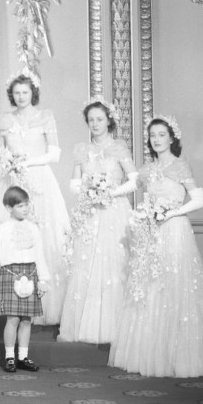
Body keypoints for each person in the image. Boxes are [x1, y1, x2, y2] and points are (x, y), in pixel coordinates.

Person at [108, 116, 203, 378]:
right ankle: (151, 353)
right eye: (153, 135)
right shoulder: (147, 169)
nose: (156, 139)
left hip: (174, 231)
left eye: (161, 135)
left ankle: (179, 356)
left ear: (172, 138)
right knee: (151, 287)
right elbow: (133, 184)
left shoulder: (180, 166)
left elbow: (199, 199)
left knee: (175, 286)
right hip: (151, 232)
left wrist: (173, 213)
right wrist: (109, 191)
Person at [0, 74, 69, 323]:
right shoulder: (4, 120)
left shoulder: (45, 116)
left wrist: (27, 162)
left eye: (25, 92)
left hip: (39, 182)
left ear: (33, 93)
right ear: (11, 95)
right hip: (13, 180)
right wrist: (9, 163)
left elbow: (55, 153)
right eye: (17, 93)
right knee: (9, 236)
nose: (21, 97)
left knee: (43, 235)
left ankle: (45, 302)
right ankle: (11, 300)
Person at [59, 99, 137, 344]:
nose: (95, 124)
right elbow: (73, 183)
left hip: (115, 211)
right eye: (91, 120)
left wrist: (110, 192)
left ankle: (118, 328)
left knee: (115, 264)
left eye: (99, 119)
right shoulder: (82, 150)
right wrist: (89, 188)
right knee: (88, 264)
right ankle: (87, 326)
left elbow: (135, 180)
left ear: (109, 121)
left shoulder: (118, 148)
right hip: (90, 212)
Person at [0, 186, 50, 373]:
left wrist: (43, 278)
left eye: (26, 205)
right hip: (9, 272)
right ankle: (10, 357)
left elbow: (39, 254)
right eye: (20, 206)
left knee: (26, 320)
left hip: (30, 272)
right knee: (13, 318)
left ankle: (23, 356)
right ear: (9, 208)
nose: (25, 209)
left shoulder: (33, 228)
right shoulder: (2, 229)